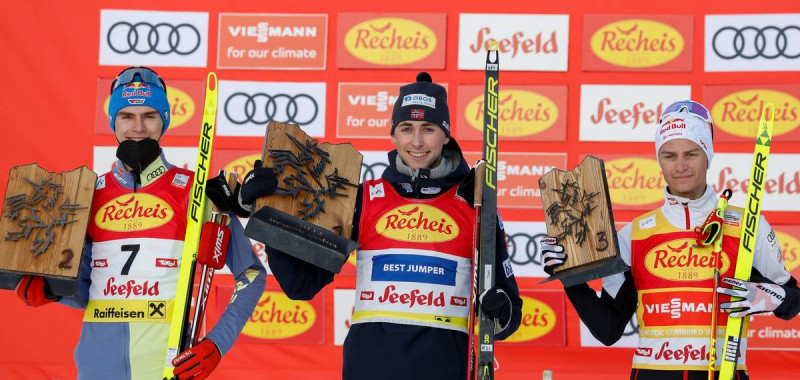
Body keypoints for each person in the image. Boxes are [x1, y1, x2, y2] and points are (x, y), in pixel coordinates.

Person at [237, 72, 522, 380]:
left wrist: (498, 311)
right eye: (406, 129)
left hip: (444, 369)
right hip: (369, 369)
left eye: (428, 129)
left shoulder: (476, 207)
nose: (416, 141)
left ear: (445, 135)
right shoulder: (362, 200)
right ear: (393, 135)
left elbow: (509, 316)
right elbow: (300, 285)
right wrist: (269, 215)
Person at [14, 66, 266, 380]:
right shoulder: (85, 196)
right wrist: (51, 290)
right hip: (96, 366)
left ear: (164, 121)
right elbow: (85, 292)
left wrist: (217, 343)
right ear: (112, 122)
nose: (138, 127)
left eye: (149, 116)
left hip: (166, 365)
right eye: (126, 116)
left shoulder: (197, 191)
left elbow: (252, 273)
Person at [542, 100, 800, 380]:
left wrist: (770, 296)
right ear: (659, 159)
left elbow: (793, 301)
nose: (680, 166)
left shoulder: (748, 226)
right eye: (669, 155)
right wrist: (570, 277)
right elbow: (608, 329)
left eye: (691, 154)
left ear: (708, 155)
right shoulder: (634, 235)